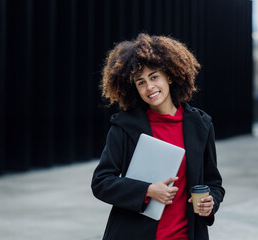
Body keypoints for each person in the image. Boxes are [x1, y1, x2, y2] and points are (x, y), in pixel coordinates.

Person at [91, 33, 225, 240]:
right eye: (140, 82)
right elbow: (101, 182)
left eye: (154, 77)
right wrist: (148, 190)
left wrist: (211, 202)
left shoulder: (201, 125)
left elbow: (213, 183)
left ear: (169, 76)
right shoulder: (124, 126)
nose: (149, 87)